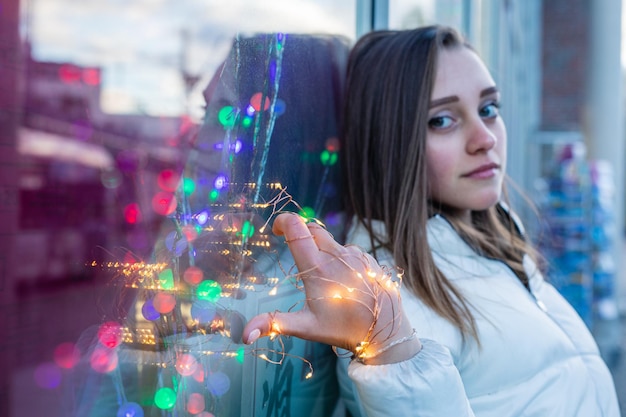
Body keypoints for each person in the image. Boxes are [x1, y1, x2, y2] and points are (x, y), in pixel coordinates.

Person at [243, 25, 621, 416]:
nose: (485, 138)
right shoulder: (383, 292)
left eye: (489, 109)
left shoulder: (490, 235)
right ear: (390, 142)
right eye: (442, 120)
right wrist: (393, 351)